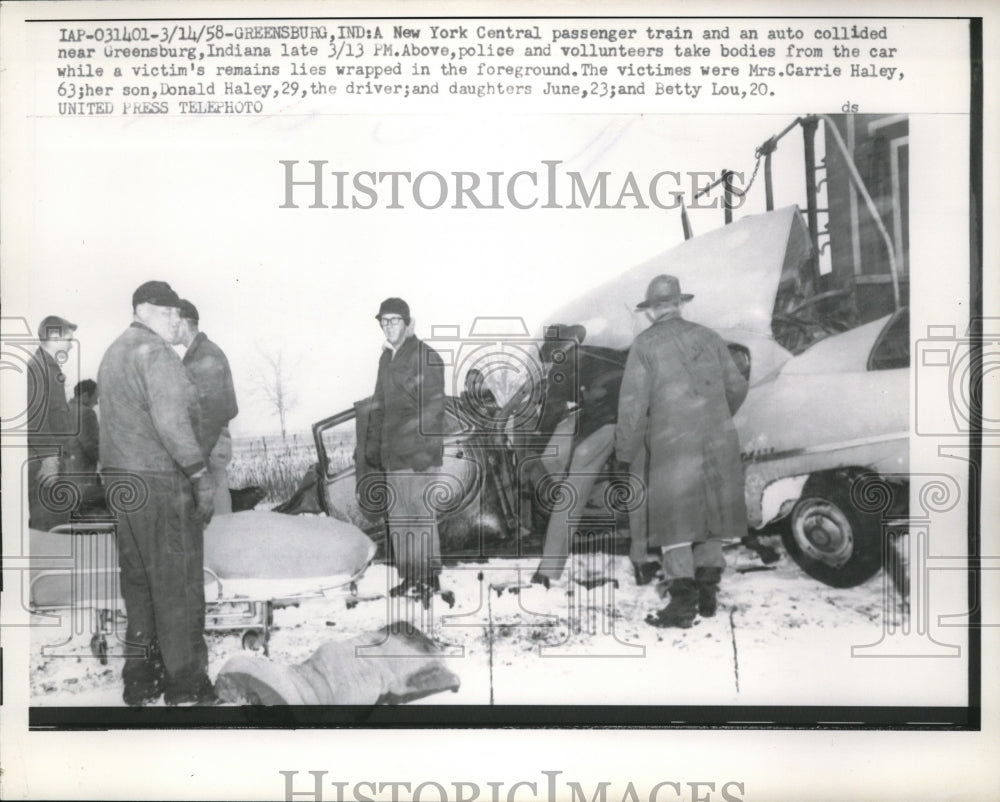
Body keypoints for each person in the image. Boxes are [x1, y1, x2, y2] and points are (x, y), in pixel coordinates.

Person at [98, 280, 217, 705]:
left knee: (140, 585)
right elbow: (172, 423)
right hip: (159, 483)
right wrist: (200, 475)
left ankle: (141, 678)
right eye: (167, 312)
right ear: (143, 310)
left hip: (121, 483)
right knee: (177, 584)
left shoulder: (114, 352)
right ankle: (186, 684)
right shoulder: (156, 353)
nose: (175, 320)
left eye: (176, 313)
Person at [615, 274, 749, 628]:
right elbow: (736, 385)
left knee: (674, 524)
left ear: (651, 311)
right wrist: (716, 416)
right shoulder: (709, 336)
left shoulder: (645, 345)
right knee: (711, 517)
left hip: (673, 444)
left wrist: (624, 453)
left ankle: (682, 604)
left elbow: (631, 406)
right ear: (678, 304)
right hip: (717, 439)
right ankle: (708, 595)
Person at [364, 297, 447, 605]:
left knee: (421, 517)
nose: (388, 327)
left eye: (394, 320)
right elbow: (379, 404)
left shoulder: (425, 356)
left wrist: (425, 450)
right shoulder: (386, 359)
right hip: (393, 453)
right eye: (383, 322)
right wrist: (372, 445)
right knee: (400, 520)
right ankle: (411, 577)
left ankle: (429, 580)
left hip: (418, 453)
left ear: (408, 323)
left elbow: (434, 407)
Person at [175, 299, 239, 515]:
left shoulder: (205, 355)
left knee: (216, 516)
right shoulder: (197, 353)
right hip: (206, 444)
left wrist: (197, 457)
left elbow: (214, 412)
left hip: (208, 445)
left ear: (183, 323)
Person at [26, 315, 77, 530]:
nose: (71, 347)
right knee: (48, 527)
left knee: (56, 523)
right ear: (54, 336)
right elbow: (34, 417)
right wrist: (48, 458)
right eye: (69, 340)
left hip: (53, 460)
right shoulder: (38, 369)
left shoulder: (48, 368)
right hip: (46, 463)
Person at [64, 379, 103, 511]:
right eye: (95, 398)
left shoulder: (65, 410)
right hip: (83, 475)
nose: (96, 403)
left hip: (66, 473)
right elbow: (92, 447)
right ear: (85, 396)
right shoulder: (87, 413)